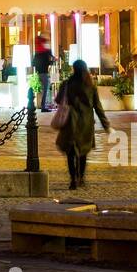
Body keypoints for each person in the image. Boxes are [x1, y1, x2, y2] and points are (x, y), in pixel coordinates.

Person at [55, 60, 110, 190]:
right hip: (86, 123)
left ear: (73, 69)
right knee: (83, 152)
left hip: (70, 122)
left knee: (70, 152)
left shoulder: (67, 84)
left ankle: (73, 179)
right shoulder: (90, 86)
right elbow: (98, 107)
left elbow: (58, 100)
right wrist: (106, 124)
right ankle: (81, 178)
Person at [32, 36, 57, 110]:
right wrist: (53, 60)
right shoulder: (45, 52)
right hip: (44, 73)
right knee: (45, 90)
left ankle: (44, 105)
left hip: (38, 73)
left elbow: (33, 63)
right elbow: (49, 62)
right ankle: (43, 106)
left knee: (44, 90)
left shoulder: (37, 52)